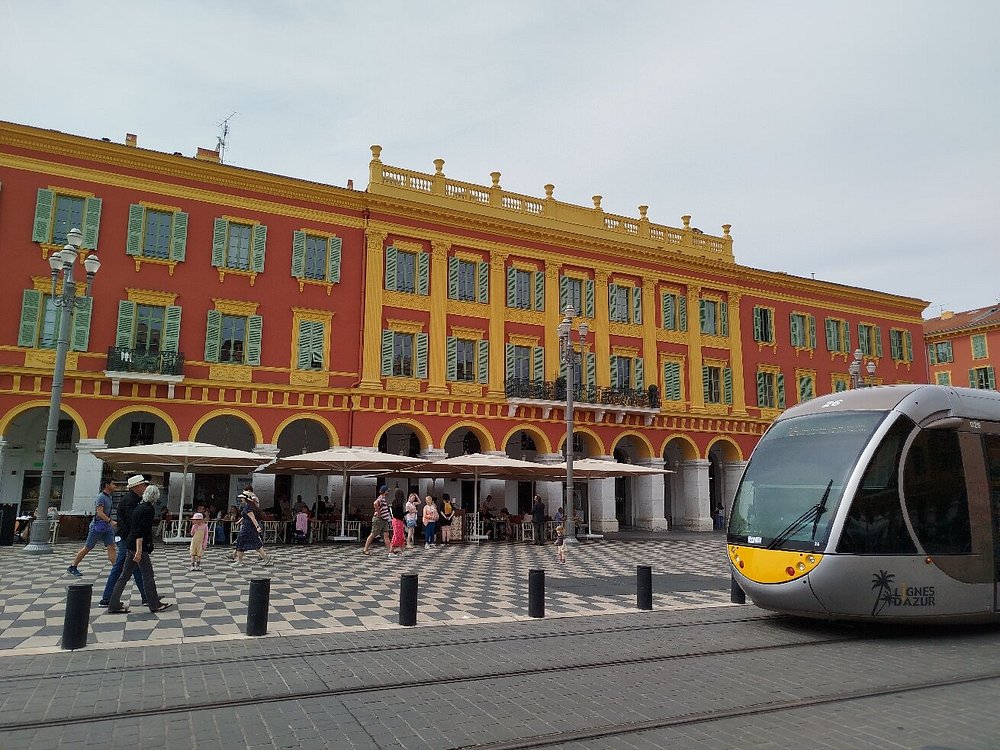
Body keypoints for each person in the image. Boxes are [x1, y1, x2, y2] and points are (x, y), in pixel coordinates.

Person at [107, 484, 171, 614]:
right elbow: (141, 531)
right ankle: (154, 604)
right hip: (138, 546)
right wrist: (139, 551)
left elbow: (135, 529)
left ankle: (113, 604)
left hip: (130, 544)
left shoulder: (139, 507)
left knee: (124, 575)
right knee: (148, 575)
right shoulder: (148, 510)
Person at [98, 475, 148, 607]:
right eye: (143, 485)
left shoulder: (134, 499)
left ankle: (147, 595)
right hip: (126, 537)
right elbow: (132, 522)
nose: (145, 487)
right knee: (120, 566)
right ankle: (107, 597)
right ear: (137, 486)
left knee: (135, 567)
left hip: (127, 537)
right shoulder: (130, 501)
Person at [67, 479, 118, 577]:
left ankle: (116, 569)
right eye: (114, 484)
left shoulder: (109, 497)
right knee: (88, 547)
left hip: (106, 526)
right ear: (107, 485)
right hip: (97, 526)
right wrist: (110, 521)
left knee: (111, 547)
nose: (116, 486)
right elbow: (100, 512)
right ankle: (73, 566)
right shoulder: (101, 497)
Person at [233, 489, 273, 566]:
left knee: (254, 543)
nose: (241, 499)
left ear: (246, 499)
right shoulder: (247, 506)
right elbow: (245, 516)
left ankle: (266, 557)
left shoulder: (248, 507)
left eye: (242, 498)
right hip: (246, 526)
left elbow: (252, 518)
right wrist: (240, 521)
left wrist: (257, 527)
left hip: (248, 528)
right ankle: (239, 560)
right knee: (242, 543)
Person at [362, 486, 392, 555]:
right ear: (385, 491)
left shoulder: (383, 498)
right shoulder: (381, 498)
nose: (388, 492)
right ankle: (365, 548)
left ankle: (390, 550)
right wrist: (379, 513)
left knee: (386, 534)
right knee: (373, 534)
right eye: (387, 491)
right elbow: (375, 503)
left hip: (384, 519)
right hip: (379, 519)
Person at [388, 488, 406, 558]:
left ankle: (402, 551)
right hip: (398, 521)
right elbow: (400, 514)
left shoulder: (394, 502)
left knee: (400, 535)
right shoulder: (399, 504)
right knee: (397, 535)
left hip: (396, 520)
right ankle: (391, 551)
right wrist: (407, 512)